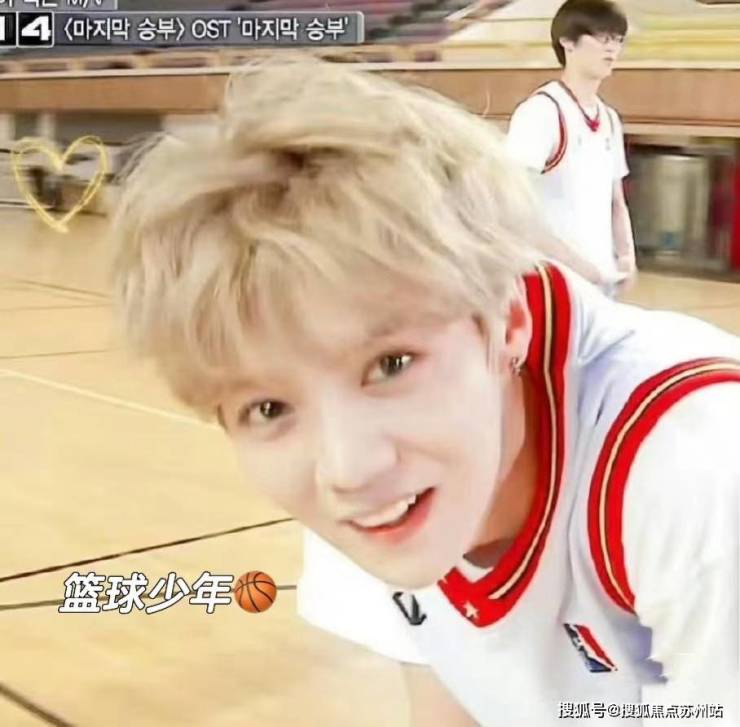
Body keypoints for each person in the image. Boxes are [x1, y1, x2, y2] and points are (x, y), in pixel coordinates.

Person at [110, 57, 739, 726]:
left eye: (391, 364)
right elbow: (450, 693)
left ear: (508, 321)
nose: (350, 467)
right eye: (268, 408)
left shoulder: (696, 473)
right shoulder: (375, 490)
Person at [506, 0, 636, 296]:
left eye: (618, 39)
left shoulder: (609, 119)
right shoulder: (541, 112)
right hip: (552, 283)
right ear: (567, 41)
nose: (612, 48)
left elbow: (616, 201)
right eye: (602, 37)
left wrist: (626, 255)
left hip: (600, 283)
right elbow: (512, 206)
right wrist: (576, 265)